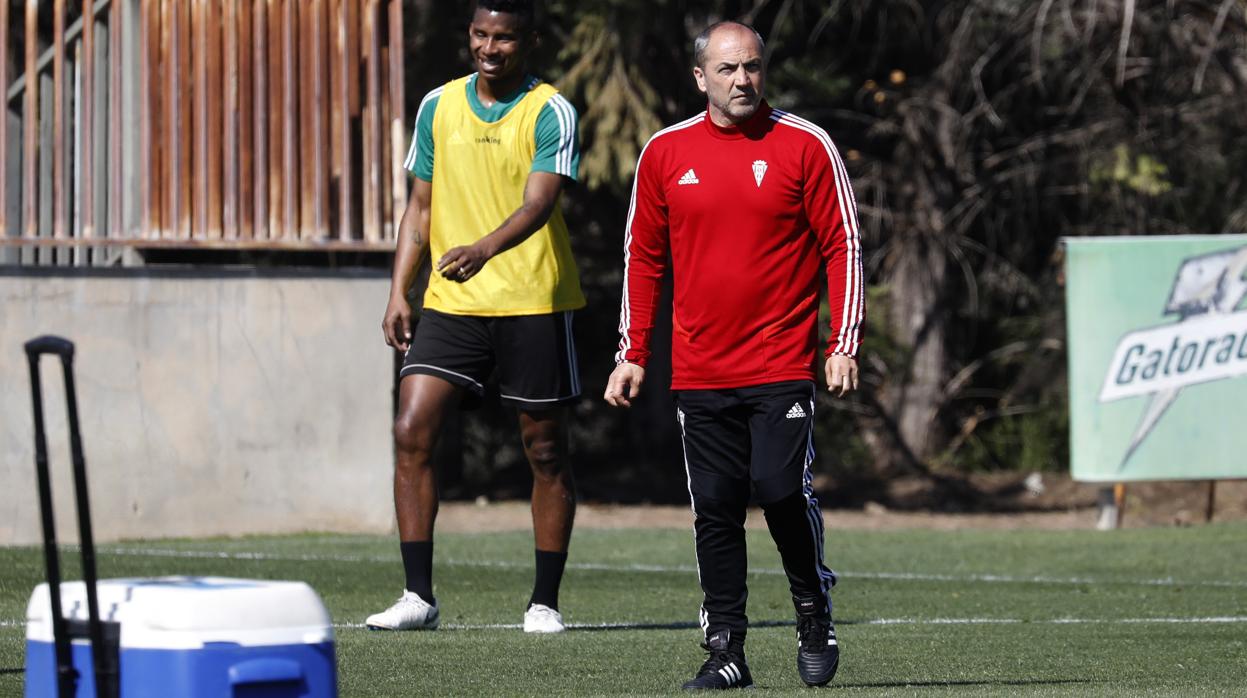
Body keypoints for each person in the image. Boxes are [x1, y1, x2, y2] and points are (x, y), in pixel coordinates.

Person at [604, 20, 864, 689]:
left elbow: (843, 244)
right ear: (701, 78)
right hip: (699, 370)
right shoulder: (665, 153)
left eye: (751, 67)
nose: (742, 80)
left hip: (781, 365)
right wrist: (632, 352)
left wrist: (841, 342)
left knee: (779, 490)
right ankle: (726, 650)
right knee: (715, 508)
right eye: (727, 69)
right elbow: (643, 257)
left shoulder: (805, 144)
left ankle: (812, 607)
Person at [369, 0, 584, 635]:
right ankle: (417, 596)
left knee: (544, 449)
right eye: (480, 34)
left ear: (530, 42)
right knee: (410, 428)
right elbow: (420, 207)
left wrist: (483, 250)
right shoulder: (438, 106)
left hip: (533, 300)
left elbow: (540, 203)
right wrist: (399, 291)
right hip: (451, 302)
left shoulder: (550, 110)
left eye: (504, 38)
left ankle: (544, 603)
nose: (490, 48)